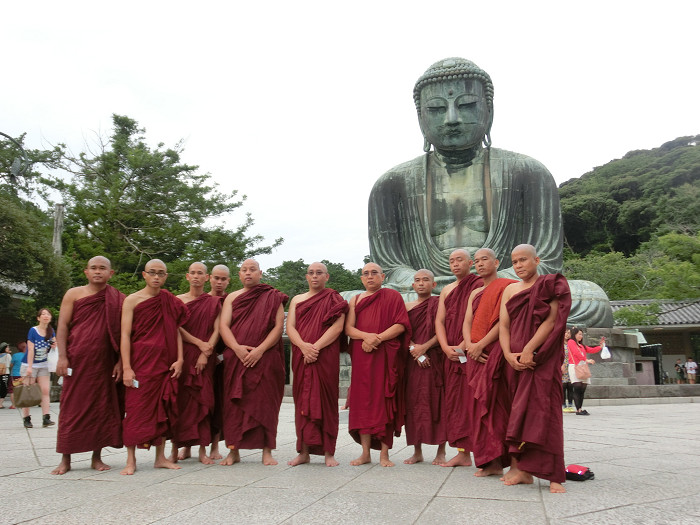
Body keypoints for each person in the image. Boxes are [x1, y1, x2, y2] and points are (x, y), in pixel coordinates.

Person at [367, 57, 611, 327]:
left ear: (489, 110)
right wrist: (433, 285)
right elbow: (388, 269)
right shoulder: (391, 184)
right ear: (420, 117)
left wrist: (491, 283)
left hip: (505, 287)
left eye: (467, 105)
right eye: (436, 108)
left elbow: (547, 263)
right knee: (358, 300)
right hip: (427, 291)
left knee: (590, 299)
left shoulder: (528, 172)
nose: (451, 119)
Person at [499, 244, 571, 493]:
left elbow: (551, 320)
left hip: (541, 360)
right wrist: (508, 354)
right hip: (514, 362)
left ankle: (553, 475)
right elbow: (504, 326)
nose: (518, 265)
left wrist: (530, 349)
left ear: (537, 260)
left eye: (523, 260)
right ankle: (521, 470)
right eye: (515, 261)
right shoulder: (509, 290)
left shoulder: (549, 285)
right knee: (515, 414)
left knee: (546, 413)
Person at [51, 256, 125, 475]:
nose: (98, 272)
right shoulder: (74, 294)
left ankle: (97, 457)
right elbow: (63, 326)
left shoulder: (118, 299)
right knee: (71, 408)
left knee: (101, 408)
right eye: (93, 268)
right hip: (77, 360)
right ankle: (66, 458)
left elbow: (125, 334)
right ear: (86, 272)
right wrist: (62, 357)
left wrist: (121, 361)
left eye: (103, 268)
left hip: (104, 363)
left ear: (111, 273)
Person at [119, 259, 189, 475]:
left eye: (161, 273)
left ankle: (160, 457)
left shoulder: (169, 301)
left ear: (166, 276)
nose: (157, 277)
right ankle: (131, 460)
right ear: (144, 275)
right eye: (152, 272)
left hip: (165, 364)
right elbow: (125, 335)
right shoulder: (132, 300)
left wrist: (180, 359)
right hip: (141, 363)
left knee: (163, 411)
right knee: (135, 410)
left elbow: (176, 330)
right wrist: (127, 367)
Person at [219, 259, 287, 466]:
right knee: (234, 405)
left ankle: (267, 451)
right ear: (239, 275)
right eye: (244, 270)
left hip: (265, 357)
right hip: (237, 357)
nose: (248, 273)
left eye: (252, 270)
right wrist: (237, 348)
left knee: (266, 404)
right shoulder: (231, 297)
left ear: (260, 273)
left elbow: (277, 327)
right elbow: (224, 326)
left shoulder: (273, 296)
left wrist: (259, 350)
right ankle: (233, 451)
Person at [345, 262, 410, 467]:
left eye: (375, 273)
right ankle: (365, 453)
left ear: (383, 277)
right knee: (362, 403)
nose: (370, 276)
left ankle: (384, 454)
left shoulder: (392, 297)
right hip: (362, 357)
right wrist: (367, 337)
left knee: (383, 401)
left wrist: (377, 339)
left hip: (383, 356)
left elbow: (401, 325)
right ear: (362, 279)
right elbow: (348, 328)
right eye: (366, 274)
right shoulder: (355, 300)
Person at [286, 262, 347, 467]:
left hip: (325, 356)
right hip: (302, 356)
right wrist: (304, 347)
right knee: (302, 402)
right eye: (311, 273)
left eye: (319, 273)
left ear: (327, 277)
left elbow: (338, 327)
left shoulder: (334, 299)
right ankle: (303, 452)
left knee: (327, 402)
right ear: (306, 276)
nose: (315, 276)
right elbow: (290, 328)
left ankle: (329, 452)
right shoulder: (297, 300)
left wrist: (316, 348)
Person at [463, 248, 516, 477]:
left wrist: (481, 344)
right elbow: (467, 322)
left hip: (492, 352)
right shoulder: (474, 293)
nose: (480, 264)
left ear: (496, 261)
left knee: (497, 407)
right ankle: (490, 462)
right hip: (475, 354)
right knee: (478, 410)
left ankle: (508, 460)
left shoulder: (507, 286)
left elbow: (503, 322)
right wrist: (469, 344)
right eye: (476, 261)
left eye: (485, 259)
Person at [435, 249, 483, 467]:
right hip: (450, 353)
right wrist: (445, 347)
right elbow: (440, 321)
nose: (455, 264)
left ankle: (484, 450)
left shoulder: (479, 284)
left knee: (474, 400)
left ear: (470, 263)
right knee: (456, 402)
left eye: (459, 260)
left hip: (471, 350)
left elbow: (479, 317)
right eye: (451, 261)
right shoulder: (446, 289)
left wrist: (464, 345)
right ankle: (463, 453)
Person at [170, 262, 221, 465]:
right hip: (184, 352)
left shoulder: (213, 302)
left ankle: (202, 450)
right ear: (187, 276)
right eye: (193, 273)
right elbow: (177, 327)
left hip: (204, 357)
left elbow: (218, 328)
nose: (196, 277)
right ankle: (176, 449)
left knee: (203, 402)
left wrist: (206, 350)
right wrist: (199, 343)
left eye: (200, 273)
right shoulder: (177, 300)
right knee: (181, 402)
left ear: (206, 277)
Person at [403, 269, 447, 465]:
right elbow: (402, 332)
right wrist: (414, 349)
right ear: (413, 285)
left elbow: (445, 331)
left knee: (439, 403)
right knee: (414, 403)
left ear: (434, 284)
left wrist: (424, 347)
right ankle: (417, 450)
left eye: (426, 280)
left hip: (435, 359)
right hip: (412, 361)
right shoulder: (406, 306)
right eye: (417, 280)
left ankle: (441, 451)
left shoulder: (440, 304)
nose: (421, 283)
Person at [208, 264, 231, 461]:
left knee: (218, 403)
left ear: (228, 281)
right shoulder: (201, 300)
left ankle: (215, 446)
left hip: (222, 360)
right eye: (216, 278)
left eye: (223, 279)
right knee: (194, 403)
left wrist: (222, 356)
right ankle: (188, 446)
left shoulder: (232, 301)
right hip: (198, 358)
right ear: (210, 278)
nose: (219, 282)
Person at [21, 308, 57, 428]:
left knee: (45, 391)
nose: (46, 316)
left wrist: (54, 346)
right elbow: (30, 349)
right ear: (38, 318)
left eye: (48, 314)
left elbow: (53, 348)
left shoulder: (51, 331)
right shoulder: (33, 330)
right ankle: (26, 418)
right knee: (28, 391)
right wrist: (30, 367)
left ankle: (46, 417)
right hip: (29, 364)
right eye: (43, 314)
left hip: (44, 365)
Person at [567, 327, 604, 415]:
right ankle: (578, 410)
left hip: (582, 366)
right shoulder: (571, 342)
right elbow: (576, 352)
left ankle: (580, 408)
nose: (581, 336)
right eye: (579, 334)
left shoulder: (581, 345)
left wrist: (600, 347)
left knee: (582, 388)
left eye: (581, 334)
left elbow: (591, 350)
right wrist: (586, 360)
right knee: (577, 387)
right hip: (575, 366)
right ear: (574, 334)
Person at [9, 342, 26, 409]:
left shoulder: (15, 355)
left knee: (13, 390)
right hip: (23, 375)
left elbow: (11, 365)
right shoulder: (27, 355)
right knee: (22, 390)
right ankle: (22, 404)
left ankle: (13, 405)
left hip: (14, 375)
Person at [561, 329, 575, 413]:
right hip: (563, 366)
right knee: (563, 386)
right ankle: (563, 404)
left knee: (570, 386)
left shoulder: (572, 344)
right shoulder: (559, 344)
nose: (567, 334)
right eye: (565, 332)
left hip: (571, 366)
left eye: (569, 333)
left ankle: (570, 404)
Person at [0, 343, 11, 408]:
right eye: (7, 347)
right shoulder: (8, 356)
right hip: (5, 372)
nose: (9, 349)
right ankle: (0, 404)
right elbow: (8, 364)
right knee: (4, 389)